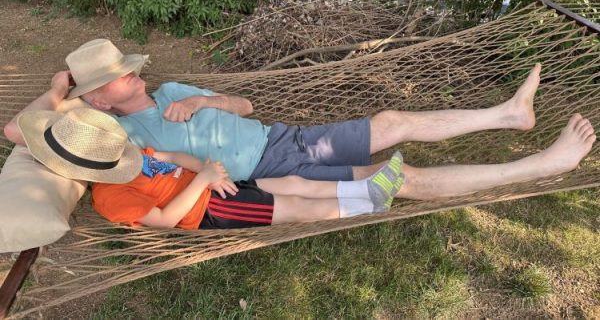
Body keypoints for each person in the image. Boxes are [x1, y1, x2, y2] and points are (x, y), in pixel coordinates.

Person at [3, 39, 596, 200]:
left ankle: (508, 113)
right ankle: (542, 164)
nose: (134, 75)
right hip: (270, 170)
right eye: (120, 77)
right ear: (101, 99)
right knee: (400, 179)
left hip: (286, 138)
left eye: (129, 68)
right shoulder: (115, 132)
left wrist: (205, 102)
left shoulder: (175, 89)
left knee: (389, 120)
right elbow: (17, 133)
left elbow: (248, 107)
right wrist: (59, 89)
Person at [15, 108, 405, 229]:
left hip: (215, 188)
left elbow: (172, 158)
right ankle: (367, 204)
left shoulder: (129, 154)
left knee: (293, 180)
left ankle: (370, 186)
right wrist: (202, 182)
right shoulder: (111, 197)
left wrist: (207, 170)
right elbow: (166, 218)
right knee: (297, 205)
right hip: (210, 210)